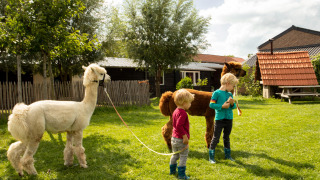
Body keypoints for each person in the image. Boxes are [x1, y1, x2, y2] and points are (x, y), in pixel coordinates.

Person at [208, 73, 239, 164]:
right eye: (233, 86)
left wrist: (232, 103)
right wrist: (222, 106)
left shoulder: (230, 94)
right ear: (228, 83)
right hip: (219, 119)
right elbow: (211, 104)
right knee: (216, 138)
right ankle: (211, 157)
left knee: (226, 137)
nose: (233, 88)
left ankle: (228, 155)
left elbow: (233, 107)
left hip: (229, 119)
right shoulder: (216, 93)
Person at [169, 89, 194, 179]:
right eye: (189, 102)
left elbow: (175, 124)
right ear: (184, 103)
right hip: (180, 139)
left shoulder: (175, 111)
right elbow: (179, 126)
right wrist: (184, 136)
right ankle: (182, 175)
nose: (190, 104)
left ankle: (172, 171)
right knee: (183, 156)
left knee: (175, 155)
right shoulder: (183, 113)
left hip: (174, 138)